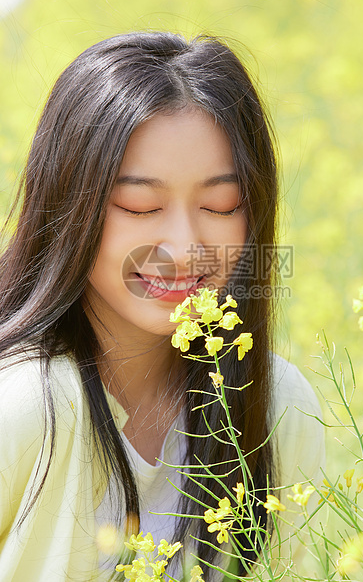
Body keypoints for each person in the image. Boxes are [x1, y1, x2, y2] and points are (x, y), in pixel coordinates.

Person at [0, 32, 324, 581]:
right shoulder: (26, 404)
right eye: (141, 206)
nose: (184, 249)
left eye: (220, 206)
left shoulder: (277, 407)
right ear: (67, 205)